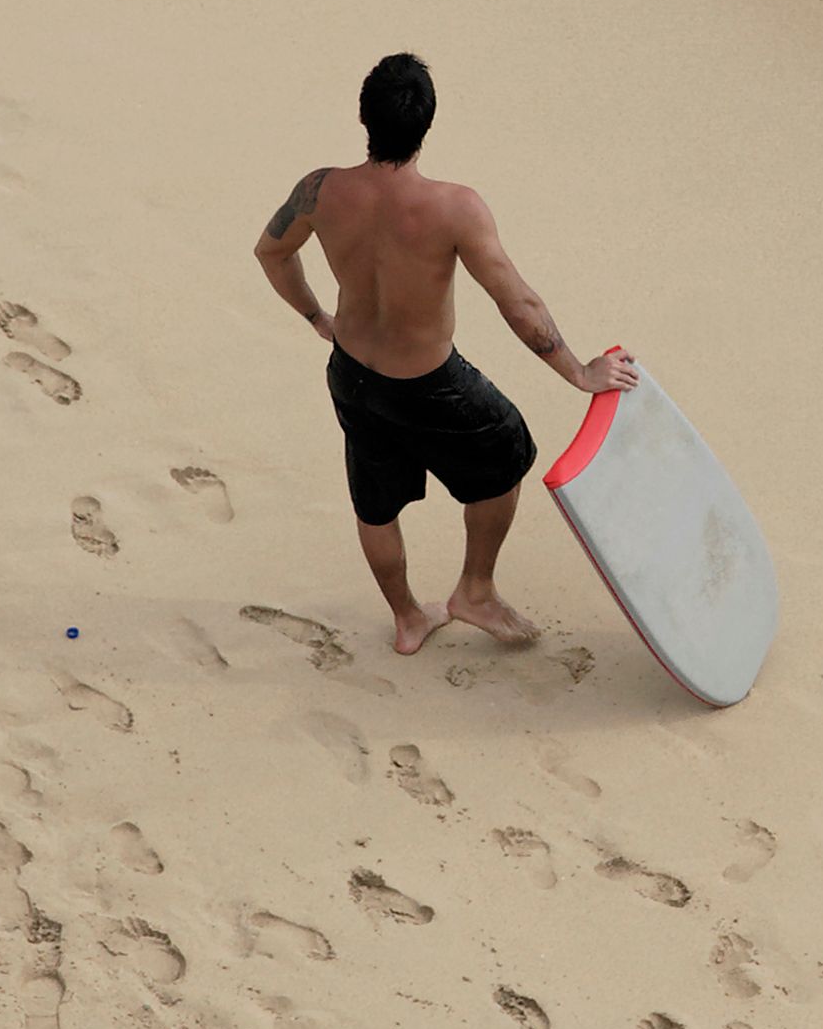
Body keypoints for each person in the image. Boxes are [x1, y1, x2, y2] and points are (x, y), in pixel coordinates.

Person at [255, 51, 635, 655]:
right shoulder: (455, 207)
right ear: (427, 125)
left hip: (352, 374)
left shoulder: (320, 190)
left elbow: (270, 254)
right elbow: (520, 305)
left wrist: (316, 318)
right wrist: (580, 372)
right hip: (431, 383)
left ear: (364, 117)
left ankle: (408, 618)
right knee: (508, 451)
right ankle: (474, 592)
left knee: (375, 505)